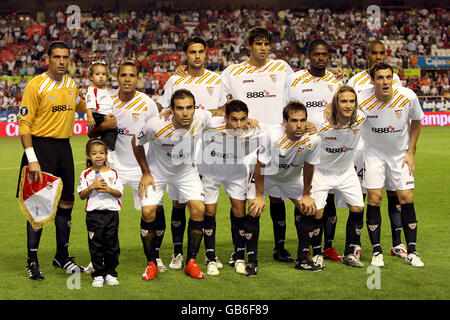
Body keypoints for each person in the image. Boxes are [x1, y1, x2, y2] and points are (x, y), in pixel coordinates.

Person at [220, 27, 296, 265]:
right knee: (240, 197)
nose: (263, 48)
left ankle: (280, 247)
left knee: (276, 196)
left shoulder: (282, 68)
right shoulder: (233, 72)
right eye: (259, 44)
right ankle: (238, 250)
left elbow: (295, 99)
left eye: (267, 44)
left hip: (275, 141)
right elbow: (221, 105)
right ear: (249, 46)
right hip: (243, 144)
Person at [132, 89, 224, 280]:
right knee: (148, 213)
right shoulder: (156, 125)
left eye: (189, 108)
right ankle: (151, 262)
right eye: (180, 108)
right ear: (171, 110)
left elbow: (220, 113)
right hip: (157, 173)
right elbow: (136, 141)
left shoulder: (201, 117)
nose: (185, 113)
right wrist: (146, 172)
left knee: (199, 209)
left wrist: (248, 120)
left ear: (194, 108)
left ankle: (191, 261)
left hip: (185, 172)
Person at [156, 36, 227, 271]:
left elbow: (225, 108)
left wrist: (207, 113)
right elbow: (162, 107)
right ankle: (177, 253)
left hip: (209, 149)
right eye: (192, 52)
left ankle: (209, 254)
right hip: (180, 151)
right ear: (184, 55)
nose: (197, 56)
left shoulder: (216, 80)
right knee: (178, 202)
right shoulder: (176, 79)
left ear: (206, 54)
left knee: (207, 206)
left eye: (200, 52)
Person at [17, 41, 86, 280]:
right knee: (39, 207)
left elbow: (82, 105)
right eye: (57, 57)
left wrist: (90, 111)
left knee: (67, 203)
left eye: (65, 57)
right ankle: (32, 260)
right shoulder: (36, 85)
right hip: (41, 148)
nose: (62, 62)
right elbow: (24, 124)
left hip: (64, 148)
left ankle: (61, 256)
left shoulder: (72, 85)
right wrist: (32, 159)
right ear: (48, 59)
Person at [87, 61, 165, 273]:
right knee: (103, 213)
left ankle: (154, 257)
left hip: (142, 168)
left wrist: (152, 170)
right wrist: (104, 126)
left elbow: (157, 135)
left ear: (137, 78)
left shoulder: (147, 103)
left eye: (132, 75)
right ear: (117, 77)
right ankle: (98, 258)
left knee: (152, 212)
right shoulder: (107, 101)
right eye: (123, 75)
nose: (127, 79)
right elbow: (91, 133)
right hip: (114, 168)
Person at [359, 63, 424, 268]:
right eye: (380, 78)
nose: (385, 82)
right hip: (373, 155)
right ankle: (377, 252)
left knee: (406, 197)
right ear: (372, 80)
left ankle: (412, 251)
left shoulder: (407, 96)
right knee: (375, 198)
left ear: (393, 78)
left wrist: (411, 152)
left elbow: (417, 120)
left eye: (388, 77)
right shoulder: (361, 97)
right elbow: (342, 109)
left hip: (400, 156)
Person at [286, 39, 345, 263]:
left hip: (331, 147)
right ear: (309, 55)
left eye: (325, 54)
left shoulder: (336, 81)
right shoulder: (296, 80)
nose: (321, 58)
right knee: (305, 195)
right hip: (303, 146)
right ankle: (307, 246)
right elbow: (289, 110)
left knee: (328, 198)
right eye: (317, 54)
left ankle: (327, 246)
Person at [347, 40, 407, 259]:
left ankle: (397, 244)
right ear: (367, 55)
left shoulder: (395, 79)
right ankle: (355, 243)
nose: (379, 57)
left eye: (382, 53)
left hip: (388, 146)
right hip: (362, 148)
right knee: (361, 197)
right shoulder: (355, 80)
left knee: (394, 194)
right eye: (375, 53)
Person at [249, 101, 321, 273]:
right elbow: (260, 166)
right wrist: (259, 196)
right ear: (285, 122)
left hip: (290, 178)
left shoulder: (313, 139)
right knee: (254, 209)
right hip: (267, 176)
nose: (299, 125)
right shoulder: (272, 136)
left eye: (302, 120)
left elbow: (310, 166)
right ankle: (251, 260)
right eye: (294, 120)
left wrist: (306, 194)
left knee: (309, 208)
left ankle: (302, 259)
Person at [200, 99, 261, 276]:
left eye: (243, 119)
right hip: (211, 170)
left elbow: (279, 128)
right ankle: (210, 257)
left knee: (240, 210)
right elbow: (197, 113)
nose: (238, 124)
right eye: (234, 119)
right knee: (209, 211)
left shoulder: (253, 128)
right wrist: (218, 111)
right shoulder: (211, 123)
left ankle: (239, 256)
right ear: (226, 117)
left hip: (236, 171)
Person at [309, 86, 366, 269]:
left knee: (358, 208)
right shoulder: (319, 120)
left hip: (346, 171)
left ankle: (350, 252)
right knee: (317, 213)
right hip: (321, 172)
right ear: (335, 103)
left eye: (351, 101)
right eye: (343, 101)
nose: (348, 105)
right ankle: (317, 253)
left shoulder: (360, 118)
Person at [78, 139, 123, 287]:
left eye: (101, 153)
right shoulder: (85, 174)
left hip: (111, 214)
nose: (98, 156)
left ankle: (110, 273)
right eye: (94, 153)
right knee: (96, 245)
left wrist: (108, 189)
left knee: (112, 245)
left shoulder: (113, 173)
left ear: (106, 154)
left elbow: (119, 193)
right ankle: (98, 274)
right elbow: (81, 195)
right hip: (93, 215)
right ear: (88, 155)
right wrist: (92, 187)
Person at [85, 60, 117, 165]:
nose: (101, 77)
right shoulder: (92, 90)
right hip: (98, 116)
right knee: (111, 130)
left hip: (105, 115)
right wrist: (90, 117)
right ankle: (108, 150)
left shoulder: (106, 90)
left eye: (104, 74)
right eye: (97, 74)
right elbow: (89, 104)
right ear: (91, 77)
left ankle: (106, 150)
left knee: (112, 132)